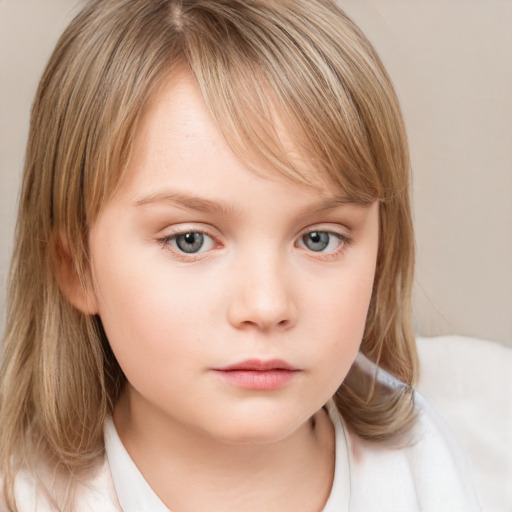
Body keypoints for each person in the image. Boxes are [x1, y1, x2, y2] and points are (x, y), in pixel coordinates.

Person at [0, 0, 481, 510]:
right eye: (191, 240)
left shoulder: (432, 465)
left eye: (319, 238)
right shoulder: (26, 495)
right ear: (78, 268)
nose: (267, 305)